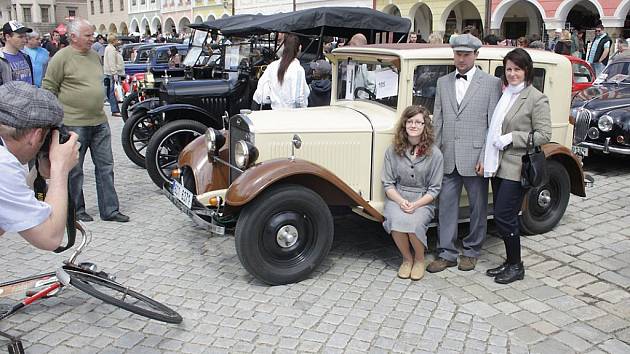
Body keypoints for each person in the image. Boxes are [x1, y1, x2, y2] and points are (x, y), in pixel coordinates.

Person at [426, 34, 502, 273]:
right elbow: (437, 120)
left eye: (466, 54)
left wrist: (486, 159)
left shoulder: (490, 83)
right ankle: (446, 252)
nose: (461, 59)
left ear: (476, 55)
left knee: (478, 207)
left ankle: (471, 250)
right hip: (448, 156)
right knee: (446, 207)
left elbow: (493, 125)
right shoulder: (443, 82)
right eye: (458, 54)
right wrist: (435, 154)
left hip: (476, 157)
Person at [43, 18, 129, 223]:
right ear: (73, 37)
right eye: (88, 35)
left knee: (106, 167)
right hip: (73, 123)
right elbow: (48, 88)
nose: (93, 39)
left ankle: (110, 210)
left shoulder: (93, 56)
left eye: (92, 35)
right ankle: (75, 210)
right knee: (74, 170)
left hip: (99, 120)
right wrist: (55, 120)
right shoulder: (61, 58)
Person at [483, 48, 551, 284]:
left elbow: (544, 134)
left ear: (527, 71)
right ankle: (510, 261)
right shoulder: (505, 94)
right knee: (502, 215)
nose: (512, 74)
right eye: (509, 69)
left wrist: (513, 137)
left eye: (517, 69)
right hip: (498, 163)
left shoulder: (536, 97)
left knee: (504, 215)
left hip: (517, 165)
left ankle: (516, 265)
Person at [0, 81, 80, 250]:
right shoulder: (4, 165)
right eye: (46, 138)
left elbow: (8, 214)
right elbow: (49, 237)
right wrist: (60, 168)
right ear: (36, 136)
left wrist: (38, 174)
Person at [382, 105, 443, 280]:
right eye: (410, 121)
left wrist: (416, 204)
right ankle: (407, 259)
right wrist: (401, 201)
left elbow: (435, 189)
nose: (413, 125)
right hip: (398, 196)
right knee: (396, 220)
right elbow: (388, 184)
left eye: (418, 122)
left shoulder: (435, 154)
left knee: (414, 224)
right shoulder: (393, 151)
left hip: (423, 199)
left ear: (425, 126)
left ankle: (419, 259)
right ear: (404, 124)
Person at [252, 34, 309, 110]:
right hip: (292, 115)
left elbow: (261, 94)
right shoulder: (298, 69)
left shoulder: (272, 66)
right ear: (299, 48)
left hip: (274, 112)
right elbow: (298, 98)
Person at [1, 21, 34, 85]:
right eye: (20, 37)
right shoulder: (2, 60)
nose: (25, 40)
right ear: (7, 37)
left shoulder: (26, 57)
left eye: (25, 36)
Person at [103, 34, 125, 117]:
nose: (118, 41)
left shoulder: (109, 48)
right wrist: (114, 73)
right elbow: (112, 62)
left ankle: (115, 109)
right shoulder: (111, 49)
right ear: (113, 40)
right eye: (116, 40)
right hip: (112, 73)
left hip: (109, 72)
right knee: (113, 93)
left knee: (112, 92)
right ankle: (115, 110)